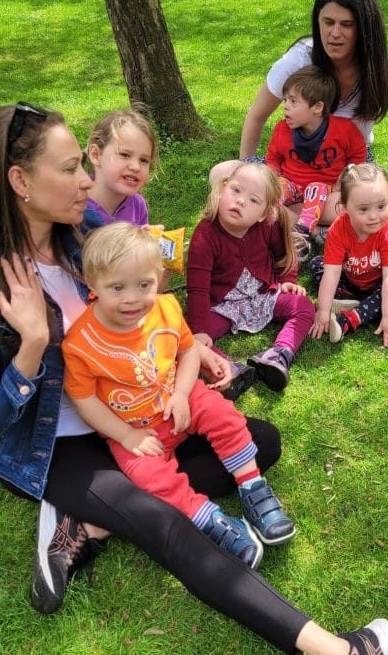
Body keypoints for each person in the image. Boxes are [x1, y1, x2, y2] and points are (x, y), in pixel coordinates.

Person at [0, 102, 388, 655]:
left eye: (83, 163)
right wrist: (31, 348)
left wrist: (188, 352)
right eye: (71, 168)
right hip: (55, 441)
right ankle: (334, 649)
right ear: (20, 181)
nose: (87, 180)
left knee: (258, 442)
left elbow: (146, 305)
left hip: (138, 409)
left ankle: (91, 522)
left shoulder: (85, 229)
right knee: (164, 524)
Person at [63, 223, 295, 569]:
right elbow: (84, 400)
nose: (132, 298)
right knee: (149, 480)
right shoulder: (81, 342)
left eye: (144, 285)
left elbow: (188, 352)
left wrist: (184, 394)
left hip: (179, 400)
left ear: (158, 279)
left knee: (224, 415)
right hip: (138, 430)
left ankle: (252, 487)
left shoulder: (166, 308)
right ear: (91, 284)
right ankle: (210, 520)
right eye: (117, 288)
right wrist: (126, 435)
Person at [210, 0, 388, 224]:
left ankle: (279, 217)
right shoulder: (300, 59)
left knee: (363, 202)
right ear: (318, 22)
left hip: (347, 169)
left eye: (346, 24)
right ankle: (299, 219)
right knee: (221, 173)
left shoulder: (382, 69)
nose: (335, 33)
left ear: (364, 28)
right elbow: (257, 115)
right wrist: (246, 173)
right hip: (292, 164)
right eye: (328, 22)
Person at [82, 107, 256, 400]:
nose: (135, 166)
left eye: (144, 160)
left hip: (133, 300)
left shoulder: (136, 205)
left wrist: (158, 257)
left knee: (166, 309)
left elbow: (152, 286)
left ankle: (215, 366)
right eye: (124, 155)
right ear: (96, 154)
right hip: (96, 310)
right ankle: (200, 370)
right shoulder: (79, 210)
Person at [186, 163, 315, 392]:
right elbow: (198, 289)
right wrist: (199, 330)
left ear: (264, 214)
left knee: (304, 306)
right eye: (236, 190)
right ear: (223, 188)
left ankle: (278, 356)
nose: (241, 201)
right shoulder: (205, 235)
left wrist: (289, 281)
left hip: (263, 294)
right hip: (223, 307)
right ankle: (227, 370)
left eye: (253, 200)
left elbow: (286, 252)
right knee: (187, 337)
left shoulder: (267, 226)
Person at [309, 163, 388, 349]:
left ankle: (351, 319)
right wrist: (323, 310)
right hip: (355, 276)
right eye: (364, 209)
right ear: (344, 208)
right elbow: (331, 273)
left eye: (381, 206)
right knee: (318, 264)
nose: (374, 216)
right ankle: (346, 297)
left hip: (385, 284)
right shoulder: (338, 229)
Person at [265, 65, 367, 253]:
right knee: (269, 189)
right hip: (291, 184)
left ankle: (301, 235)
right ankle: (273, 227)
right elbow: (273, 159)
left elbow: (358, 155)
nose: (285, 106)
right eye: (285, 99)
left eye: (293, 102)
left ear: (317, 107)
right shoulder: (282, 129)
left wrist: (343, 180)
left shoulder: (344, 130)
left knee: (320, 190)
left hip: (324, 190)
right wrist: (272, 181)